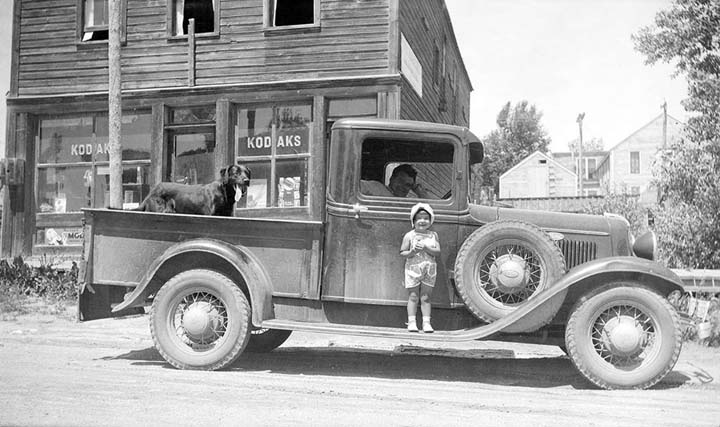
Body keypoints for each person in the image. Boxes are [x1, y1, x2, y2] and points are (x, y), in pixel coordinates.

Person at [400, 203, 440, 332]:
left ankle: (426, 323)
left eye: (426, 218)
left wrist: (426, 248)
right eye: (418, 218)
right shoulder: (409, 235)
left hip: (429, 270)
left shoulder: (433, 235)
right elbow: (402, 252)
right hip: (413, 269)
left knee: (426, 297)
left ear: (431, 220)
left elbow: (437, 251)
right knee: (413, 296)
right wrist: (412, 252)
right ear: (413, 220)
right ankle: (412, 322)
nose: (422, 221)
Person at [360, 164, 430, 198]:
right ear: (392, 179)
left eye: (408, 185)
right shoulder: (377, 187)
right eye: (400, 181)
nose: (403, 186)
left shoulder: (407, 203)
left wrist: (417, 189)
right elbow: (355, 186)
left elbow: (432, 208)